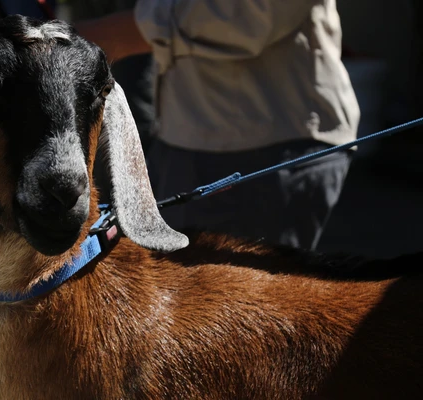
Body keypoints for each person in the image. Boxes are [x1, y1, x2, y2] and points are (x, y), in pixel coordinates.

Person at [77, 0, 360, 250]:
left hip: (265, 148)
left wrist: (120, 33)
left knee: (239, 304)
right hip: (186, 141)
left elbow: (255, 12)